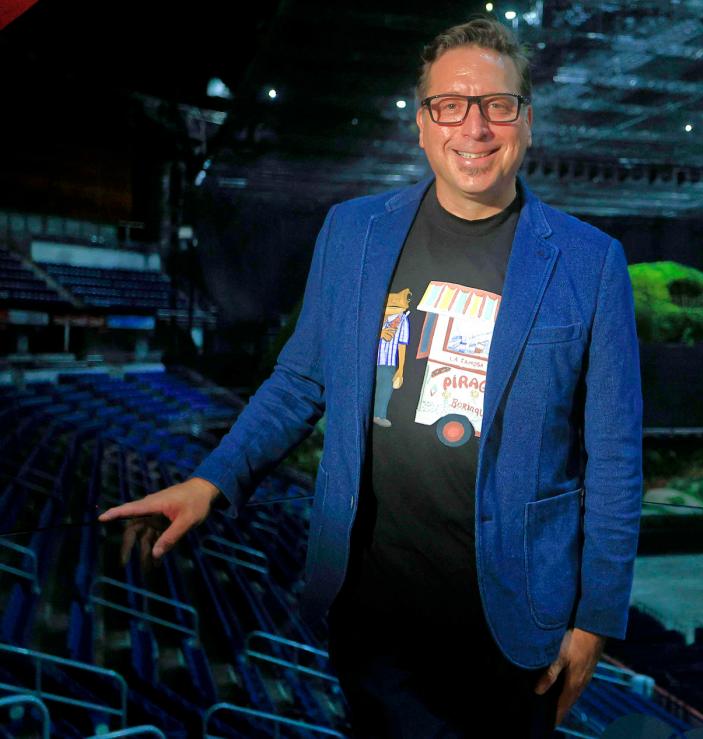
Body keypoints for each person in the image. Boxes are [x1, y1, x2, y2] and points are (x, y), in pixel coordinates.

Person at [98, 16, 644, 738]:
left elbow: (615, 457)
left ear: (527, 122)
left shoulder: (590, 262)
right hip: (372, 616)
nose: (475, 126)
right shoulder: (352, 232)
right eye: (450, 104)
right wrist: (210, 481)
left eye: (497, 104)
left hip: (514, 625)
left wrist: (596, 618)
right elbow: (299, 382)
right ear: (421, 124)